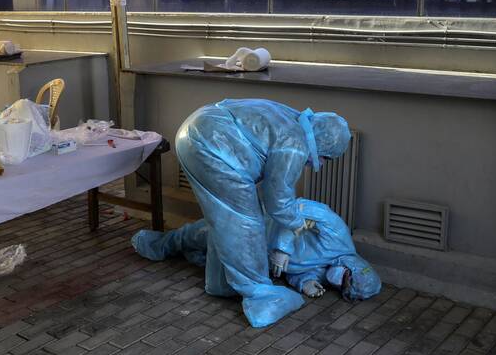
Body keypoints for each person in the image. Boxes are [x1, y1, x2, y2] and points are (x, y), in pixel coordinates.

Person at [132, 98, 380, 327]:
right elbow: (282, 203)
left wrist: (305, 281)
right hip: (214, 145)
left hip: (198, 134)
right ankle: (261, 296)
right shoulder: (296, 146)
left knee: (224, 225)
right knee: (243, 226)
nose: (321, 163)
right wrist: (287, 241)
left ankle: (215, 281)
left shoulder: (292, 119)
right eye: (325, 157)